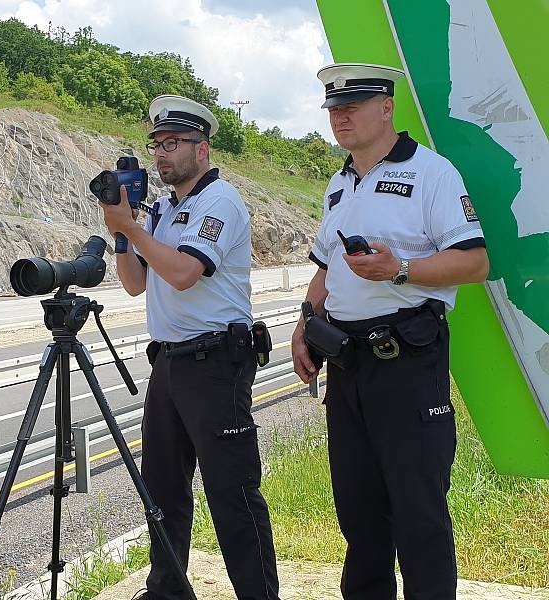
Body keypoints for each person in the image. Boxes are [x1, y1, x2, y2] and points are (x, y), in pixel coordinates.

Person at [292, 64, 490, 600]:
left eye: (351, 107)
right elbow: (325, 265)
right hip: (347, 366)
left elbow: (474, 263)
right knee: (358, 516)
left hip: (406, 363)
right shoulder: (339, 184)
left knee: (418, 515)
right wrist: (304, 324)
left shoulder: (432, 173)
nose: (340, 117)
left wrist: (400, 269)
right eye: (334, 109)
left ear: (386, 108)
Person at [100, 95, 279, 600]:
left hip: (217, 362)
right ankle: (168, 593)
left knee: (232, 493)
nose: (161, 154)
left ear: (202, 150)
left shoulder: (219, 202)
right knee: (163, 493)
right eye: (156, 143)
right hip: (170, 362)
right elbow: (135, 283)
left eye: (172, 143)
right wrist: (122, 232)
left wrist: (132, 226)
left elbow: (183, 273)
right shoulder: (162, 209)